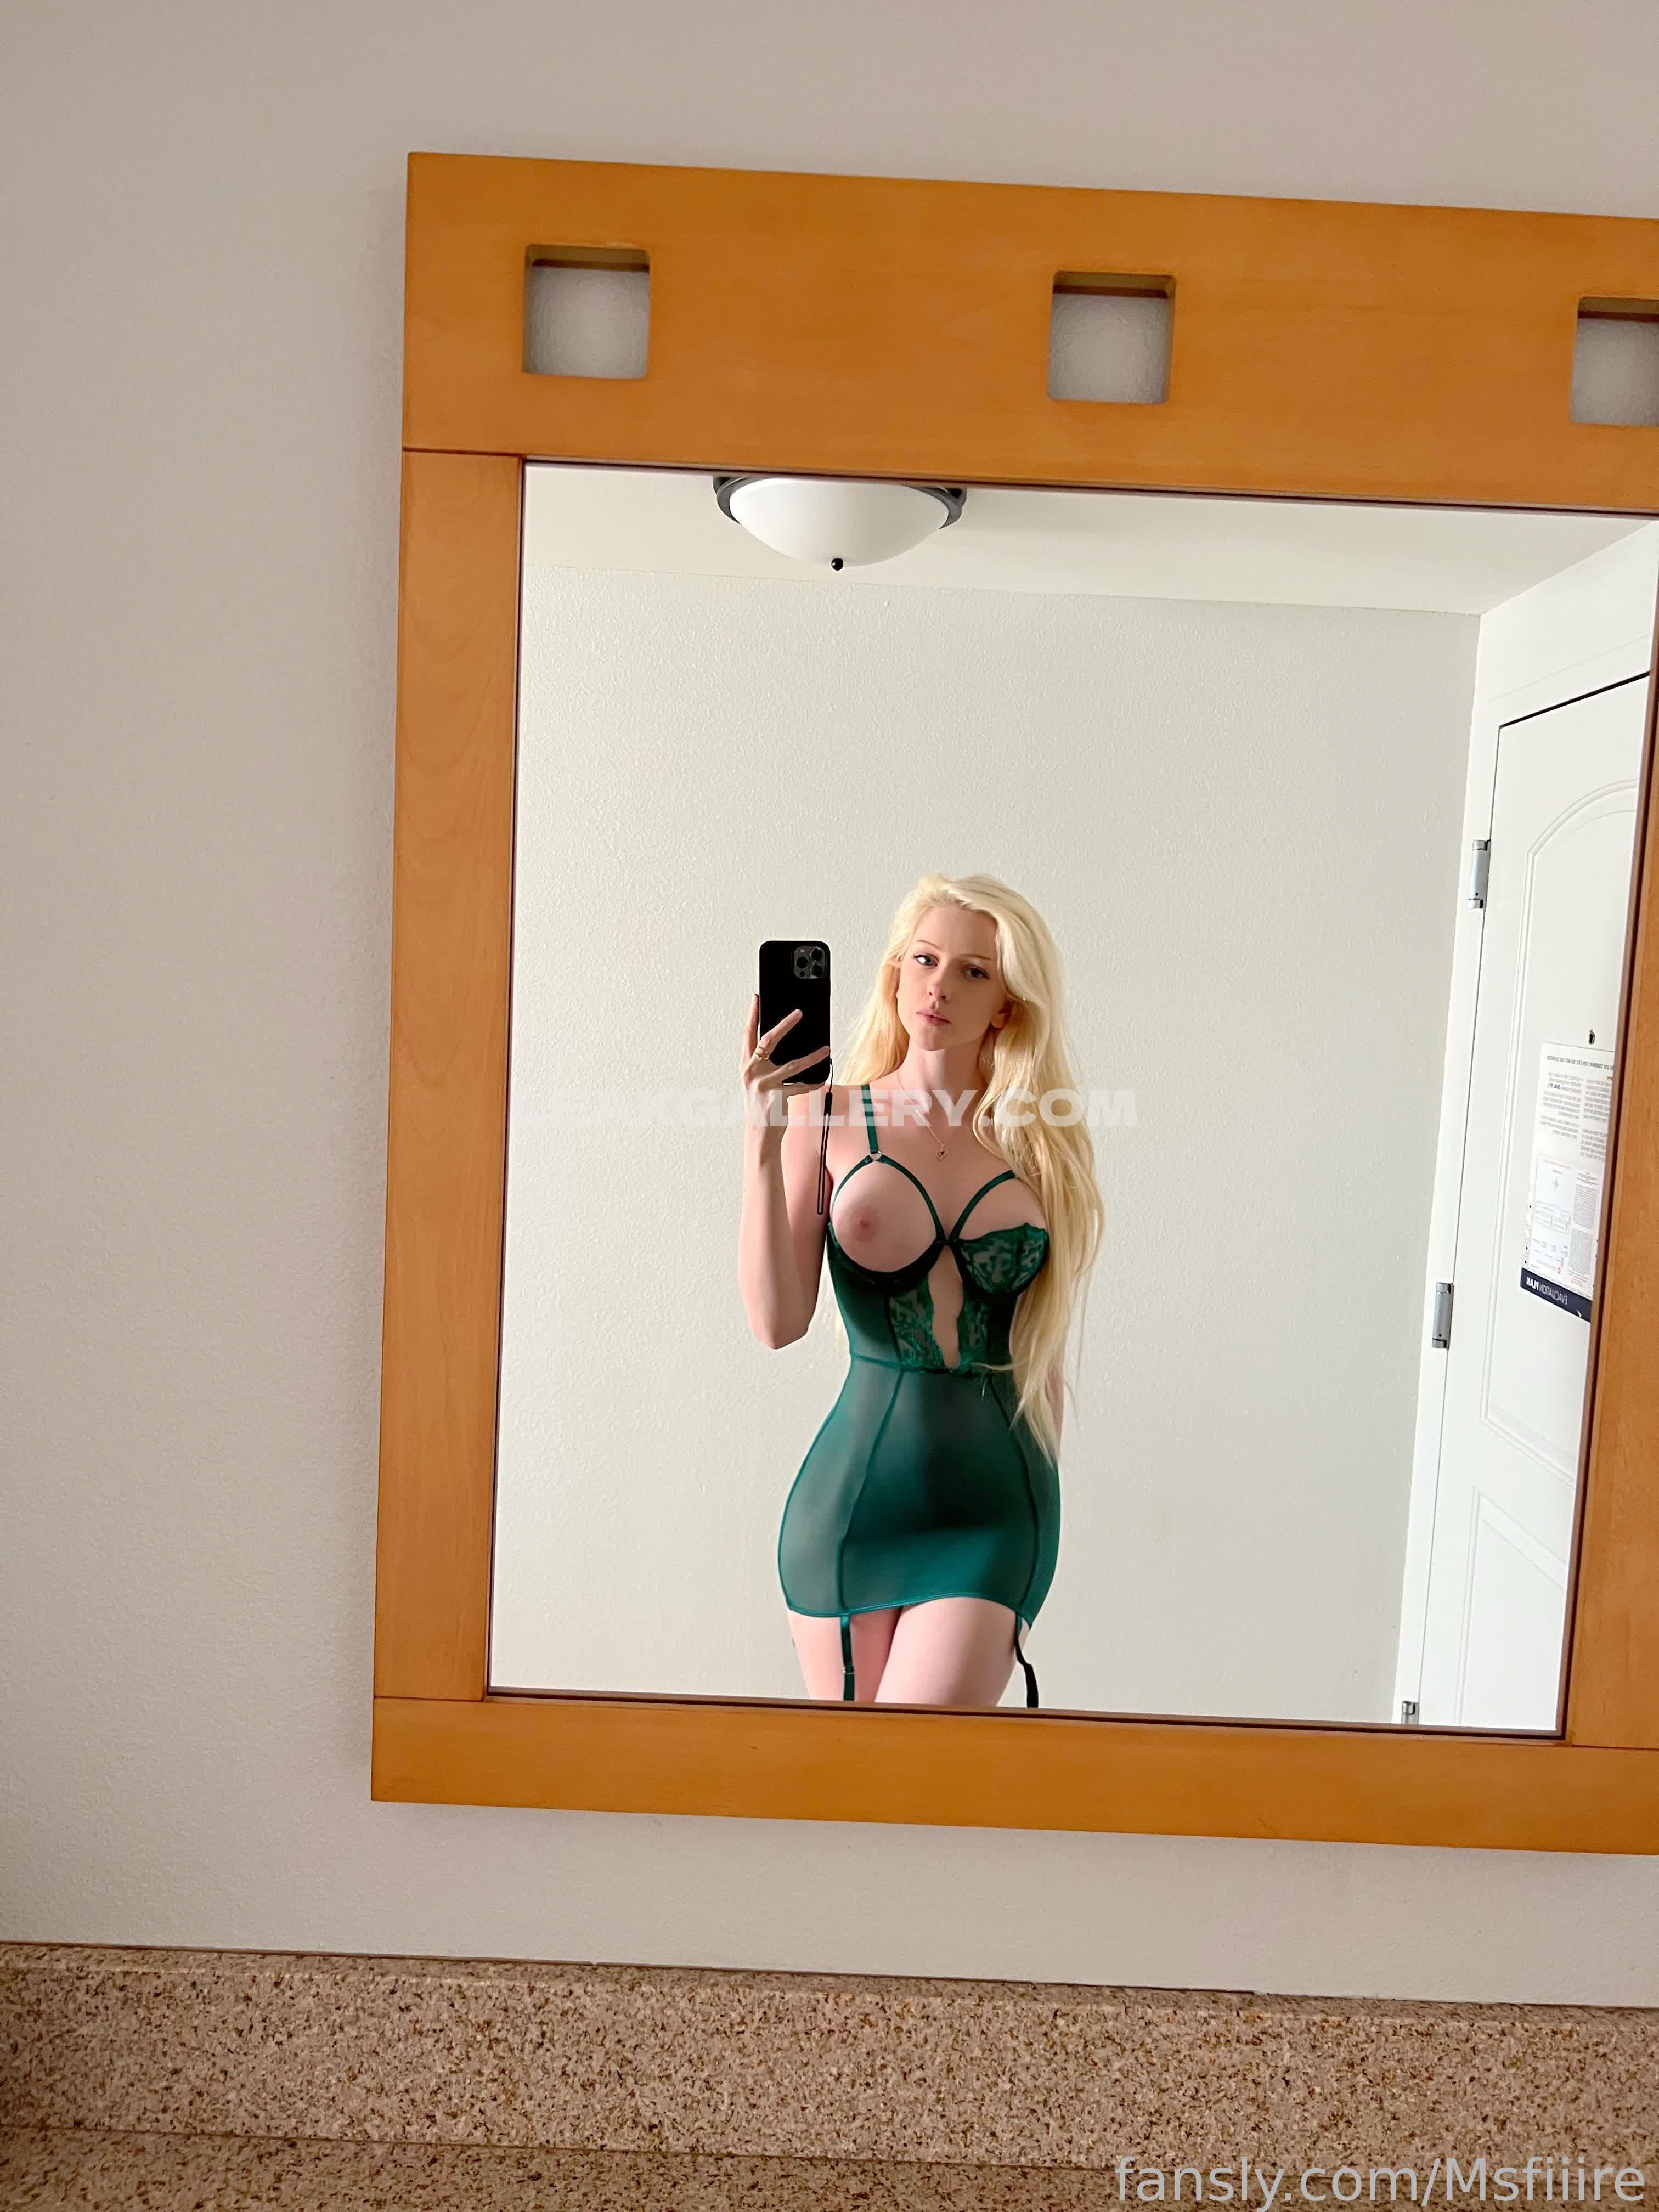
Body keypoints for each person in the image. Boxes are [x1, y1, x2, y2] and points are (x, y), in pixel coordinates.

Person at [738, 872, 1102, 1709]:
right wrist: (760, 1144)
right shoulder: (825, 1117)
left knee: (922, 1760)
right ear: (896, 974)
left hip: (994, 1510)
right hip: (851, 1502)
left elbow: (1042, 1353)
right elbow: (777, 1322)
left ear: (1007, 1006)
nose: (940, 987)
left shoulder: (1040, 1145)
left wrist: (1043, 1501)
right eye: (925, 960)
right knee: (853, 1776)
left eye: (974, 971)